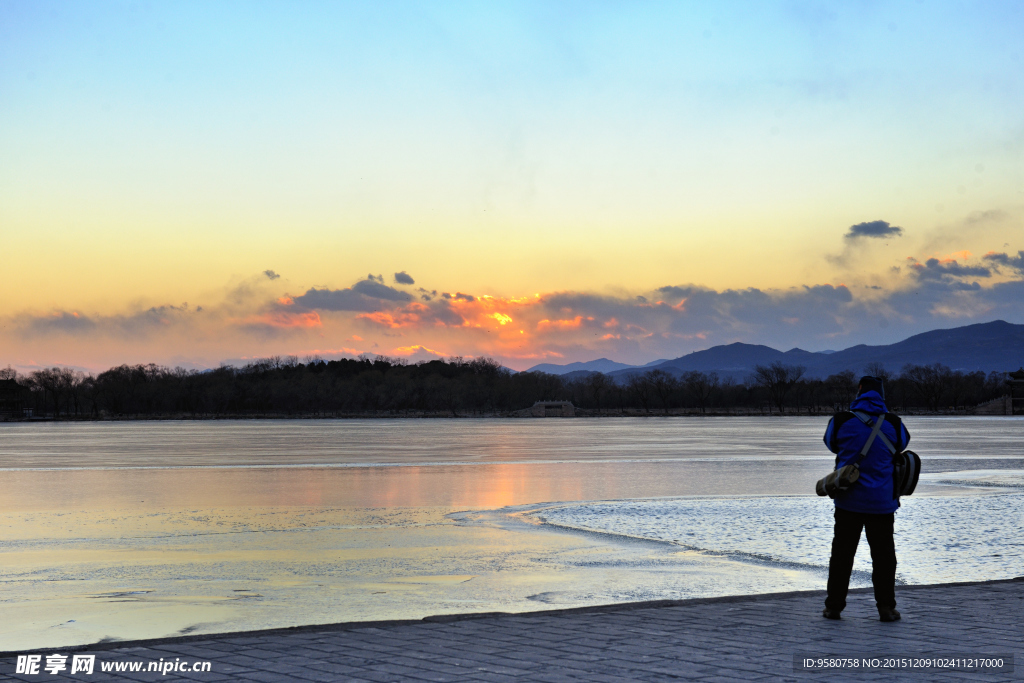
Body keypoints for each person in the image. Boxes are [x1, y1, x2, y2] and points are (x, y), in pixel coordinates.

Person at [821, 376, 910, 622]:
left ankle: (834, 607)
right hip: (882, 503)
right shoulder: (893, 422)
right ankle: (886, 608)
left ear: (859, 392)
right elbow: (903, 444)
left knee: (841, 556)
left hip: (848, 501)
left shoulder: (840, 421)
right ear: (882, 395)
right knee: (884, 558)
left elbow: (831, 445)